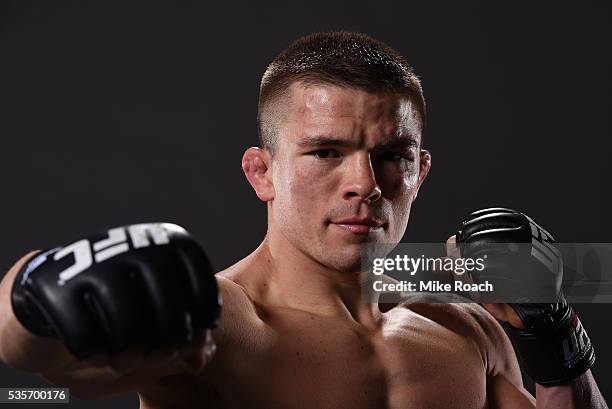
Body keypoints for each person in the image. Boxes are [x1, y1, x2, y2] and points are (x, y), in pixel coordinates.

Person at [0, 31, 607, 409]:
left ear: (420, 169)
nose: (366, 185)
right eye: (325, 153)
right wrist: (33, 289)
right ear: (261, 172)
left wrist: (555, 344)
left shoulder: (464, 322)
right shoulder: (223, 321)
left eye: (391, 157)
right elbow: (35, 353)